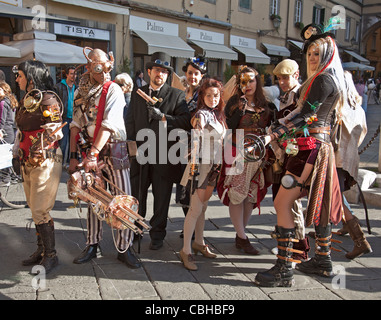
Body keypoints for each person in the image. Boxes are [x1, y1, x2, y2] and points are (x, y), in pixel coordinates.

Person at [255, 24, 345, 287]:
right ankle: (323, 260)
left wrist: (273, 135)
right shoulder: (325, 78)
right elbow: (302, 111)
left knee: (283, 202)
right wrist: (277, 128)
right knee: (322, 203)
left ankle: (284, 269)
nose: (313, 57)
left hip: (310, 149)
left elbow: (308, 115)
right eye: (310, 54)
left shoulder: (323, 79)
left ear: (328, 53)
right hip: (314, 148)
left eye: (318, 52)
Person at [68, 47, 140, 269]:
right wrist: (72, 155)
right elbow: (75, 124)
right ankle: (92, 244)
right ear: (89, 67)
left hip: (114, 151)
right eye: (99, 68)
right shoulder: (82, 93)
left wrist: (92, 155)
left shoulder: (114, 90)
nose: (105, 71)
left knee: (122, 199)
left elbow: (108, 125)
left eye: (108, 66)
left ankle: (124, 247)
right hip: (91, 151)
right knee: (93, 199)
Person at [126, 52, 191, 250]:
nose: (160, 75)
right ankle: (136, 227)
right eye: (157, 70)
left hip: (165, 155)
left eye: (164, 72)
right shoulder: (138, 93)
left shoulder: (176, 95)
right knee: (138, 195)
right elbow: (130, 121)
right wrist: (131, 147)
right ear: (149, 71)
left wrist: (163, 116)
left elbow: (185, 122)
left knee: (162, 197)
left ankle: (157, 234)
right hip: (141, 154)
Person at [217, 66, 275, 255]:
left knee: (250, 197)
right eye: (243, 81)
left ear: (257, 81)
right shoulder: (234, 103)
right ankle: (243, 237)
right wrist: (240, 108)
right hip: (236, 153)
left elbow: (272, 128)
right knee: (237, 194)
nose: (247, 85)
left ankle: (240, 233)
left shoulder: (267, 104)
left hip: (258, 157)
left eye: (251, 81)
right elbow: (229, 129)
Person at [13, 60, 64, 274]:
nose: (17, 79)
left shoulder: (48, 99)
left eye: (20, 75)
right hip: (27, 159)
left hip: (45, 160)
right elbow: (20, 130)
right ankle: (42, 250)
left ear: (31, 77)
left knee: (40, 208)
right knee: (34, 207)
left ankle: (51, 255)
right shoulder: (27, 100)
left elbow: (56, 131)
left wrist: (41, 146)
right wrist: (16, 152)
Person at [179, 78, 226, 270]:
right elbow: (197, 134)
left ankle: (198, 242)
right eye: (208, 95)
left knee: (203, 208)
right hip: (201, 166)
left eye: (216, 95)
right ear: (202, 96)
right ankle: (185, 250)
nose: (213, 98)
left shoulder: (218, 115)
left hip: (214, 166)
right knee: (195, 208)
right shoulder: (201, 115)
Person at [271, 59, 310, 262]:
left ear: (295, 76)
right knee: (282, 201)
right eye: (279, 78)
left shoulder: (300, 95)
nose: (282, 82)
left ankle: (298, 248)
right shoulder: (285, 97)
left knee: (292, 203)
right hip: (286, 155)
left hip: (299, 156)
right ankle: (286, 245)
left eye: (285, 78)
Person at [335, 71, 372, 259]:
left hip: (336, 158)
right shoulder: (357, 107)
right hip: (348, 158)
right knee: (337, 194)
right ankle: (345, 226)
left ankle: (360, 239)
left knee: (334, 196)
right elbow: (363, 132)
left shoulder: (339, 107)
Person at [177, 55, 207, 225]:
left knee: (194, 188)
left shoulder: (205, 95)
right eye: (190, 73)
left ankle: (194, 226)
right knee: (183, 189)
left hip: (197, 147)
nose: (192, 77)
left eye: (196, 74)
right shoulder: (181, 93)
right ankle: (190, 223)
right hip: (180, 145)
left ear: (201, 75)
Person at [54, 66, 77, 167]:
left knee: (73, 142)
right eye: (71, 74)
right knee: (63, 142)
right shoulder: (59, 87)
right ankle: (60, 162)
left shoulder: (78, 87)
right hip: (64, 118)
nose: (73, 76)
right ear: (67, 74)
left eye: (75, 74)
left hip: (75, 118)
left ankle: (68, 161)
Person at [0, 81, 18, 186]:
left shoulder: (3, 103)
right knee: (9, 155)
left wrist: (0, 129)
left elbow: (1, 119)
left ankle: (5, 179)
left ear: (5, 90)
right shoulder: (12, 100)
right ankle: (13, 176)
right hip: (11, 130)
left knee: (3, 156)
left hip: (5, 131)